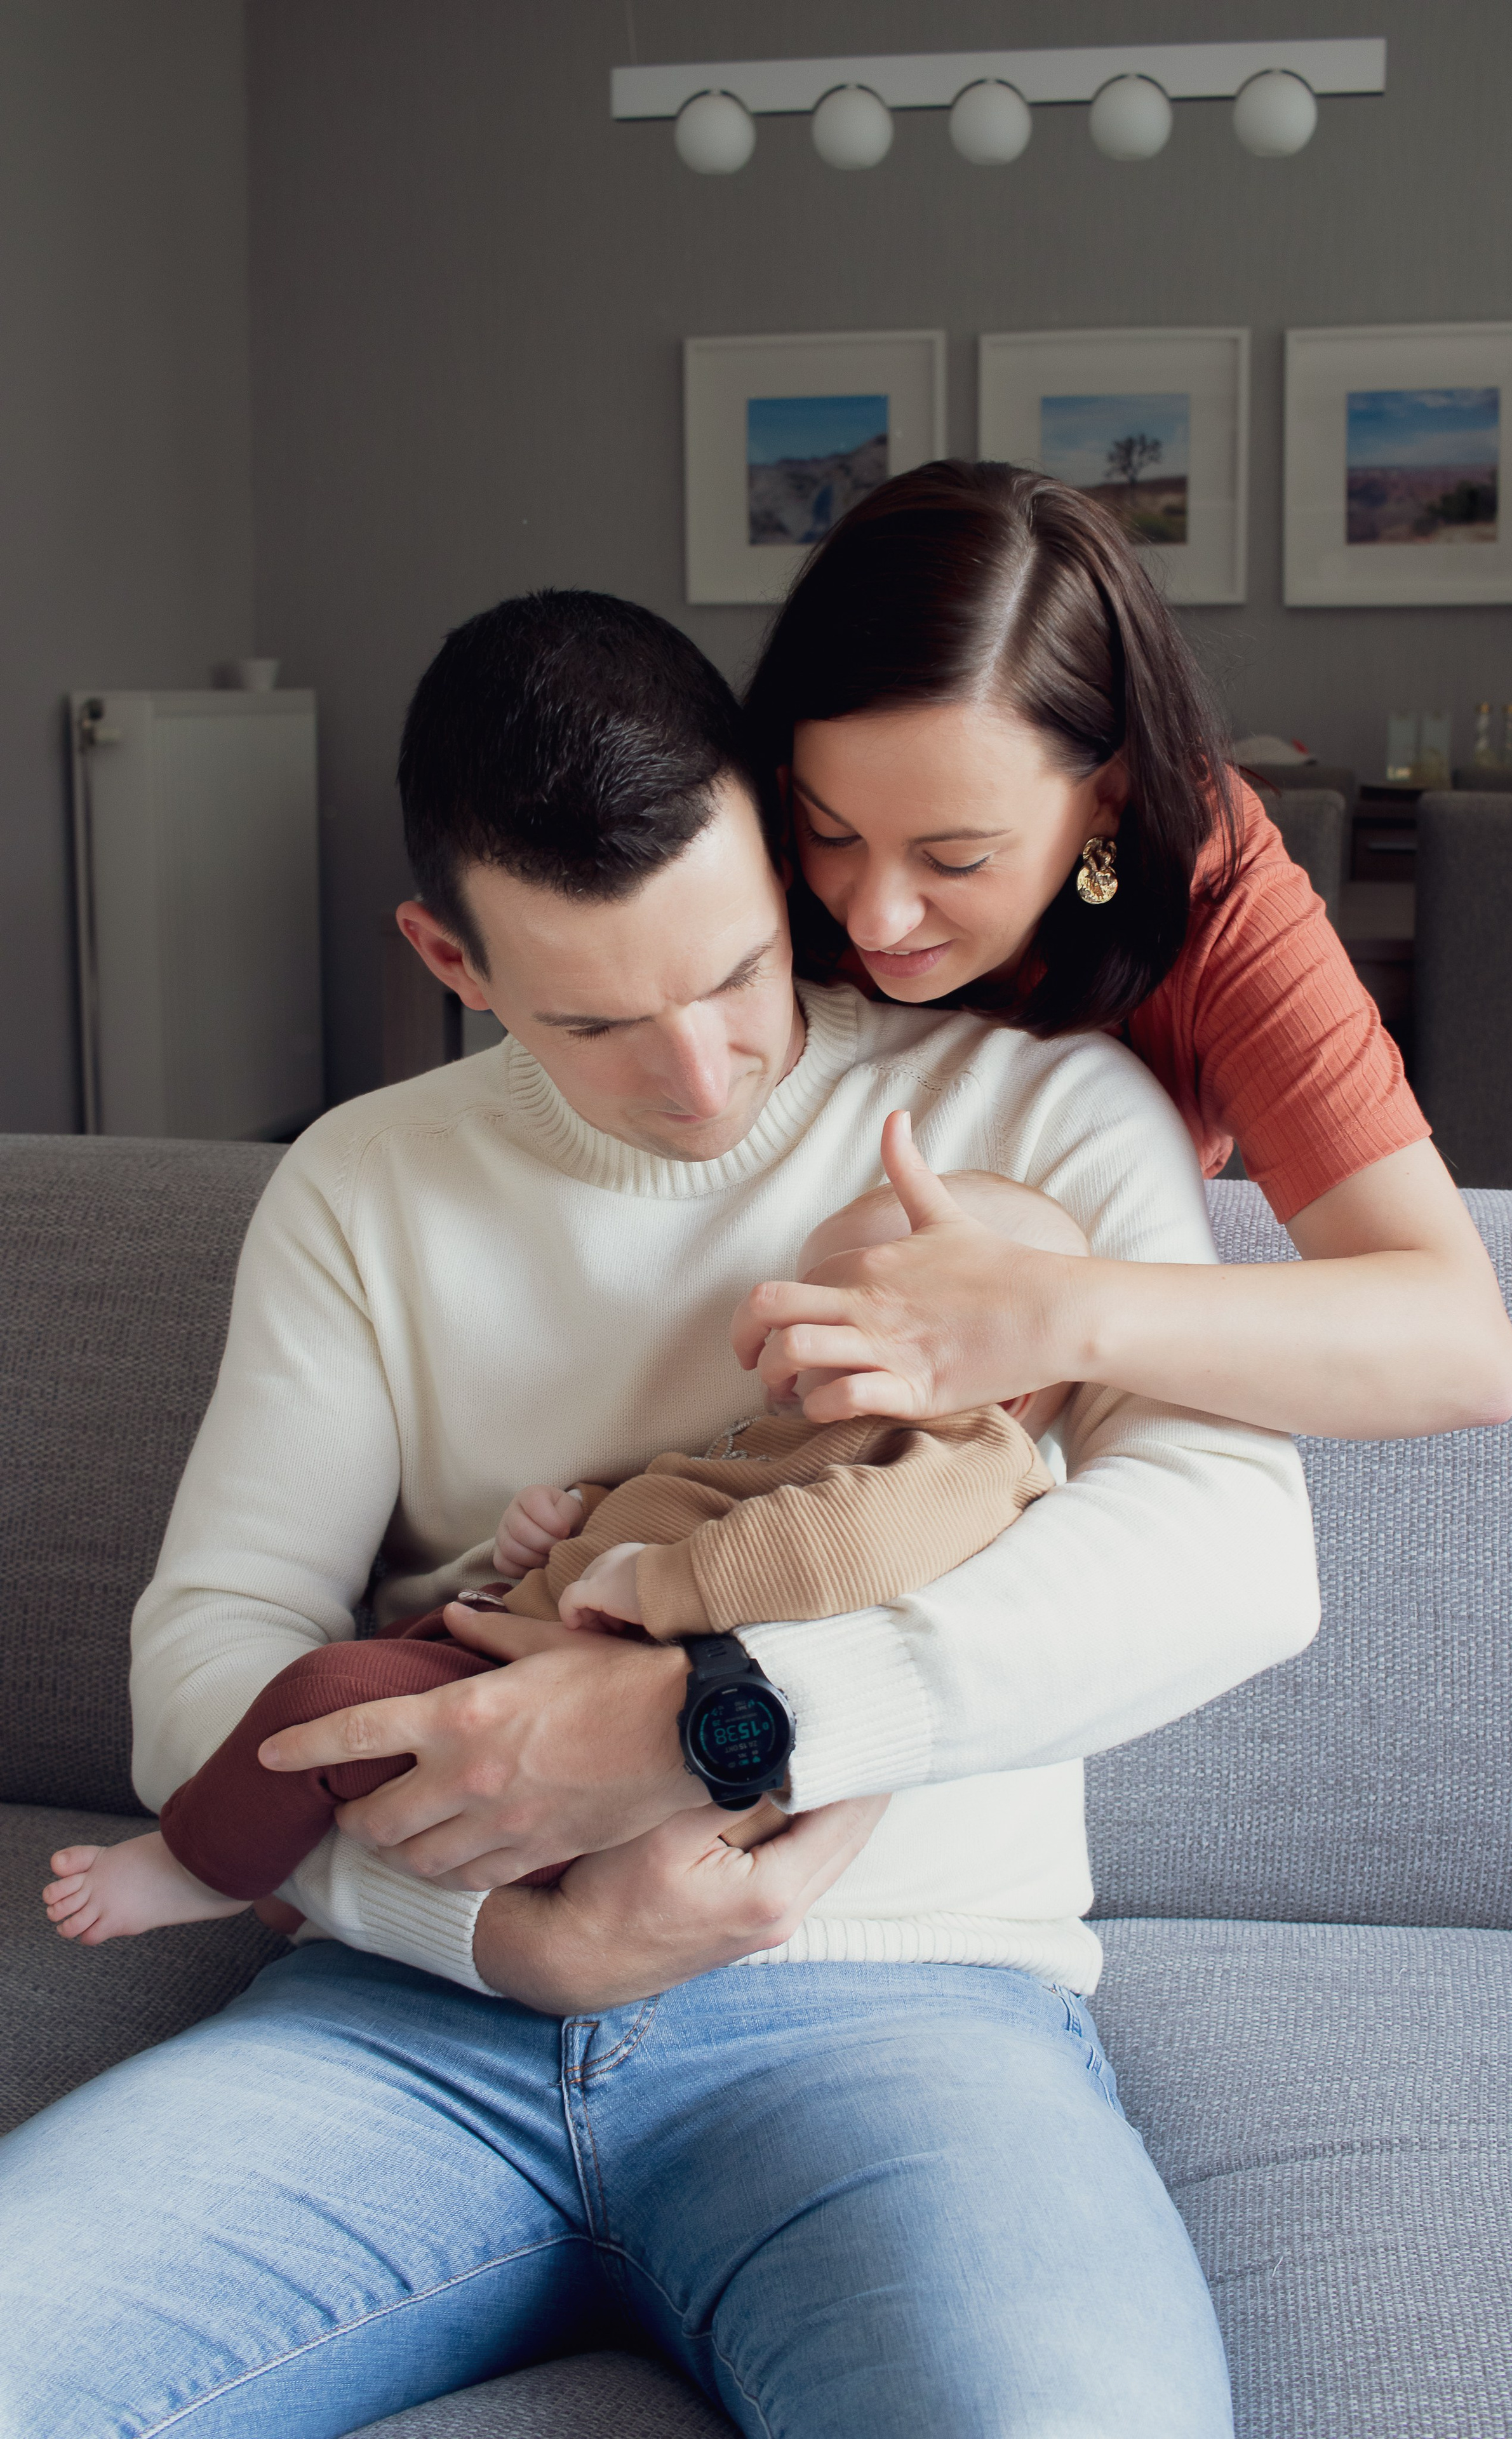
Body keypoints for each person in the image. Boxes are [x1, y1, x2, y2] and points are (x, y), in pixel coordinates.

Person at [0, 588, 1318, 2438]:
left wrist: (719, 1724)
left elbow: (1232, 1560)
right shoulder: (361, 1185)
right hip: (411, 2022)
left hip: (898, 2014)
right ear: (447, 962)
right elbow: (203, 1662)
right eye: (600, 1021)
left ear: (779, 859)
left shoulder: (1036, 1118)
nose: (700, 1081)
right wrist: (489, 1938)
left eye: (733, 973)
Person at [40, 1168, 1074, 1947]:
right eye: (796, 1305)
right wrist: (571, 1516)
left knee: (332, 1695)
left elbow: (843, 1548)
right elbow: (686, 1486)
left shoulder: (969, 1451)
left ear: (1011, 1380)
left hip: (628, 1718)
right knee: (386, 1678)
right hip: (524, 1631)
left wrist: (659, 1581)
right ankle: (284, 1862)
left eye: (844, 1318)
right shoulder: (808, 1430)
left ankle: (202, 1867)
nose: (789, 1344)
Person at [733, 460, 1512, 1446]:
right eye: (832, 832)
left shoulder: (1209, 892)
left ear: (1108, 797)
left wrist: (1046, 1313)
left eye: (955, 857)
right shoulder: (736, 845)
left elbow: (1463, 1348)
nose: (875, 921)